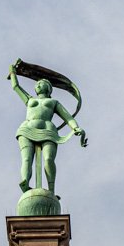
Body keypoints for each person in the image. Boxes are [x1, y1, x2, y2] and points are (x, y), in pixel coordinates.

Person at [9, 63, 87, 193]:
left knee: (48, 159)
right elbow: (16, 87)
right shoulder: (29, 99)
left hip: (48, 131)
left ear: (49, 89)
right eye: (37, 84)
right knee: (27, 158)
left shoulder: (53, 102)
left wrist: (75, 128)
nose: (38, 84)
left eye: (42, 83)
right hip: (27, 129)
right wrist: (12, 72)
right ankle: (25, 181)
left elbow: (67, 117)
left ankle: (51, 189)